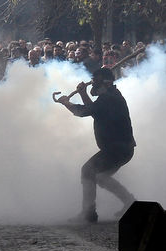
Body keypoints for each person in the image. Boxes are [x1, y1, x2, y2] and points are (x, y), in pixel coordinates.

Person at [55, 68, 136, 223]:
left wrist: (66, 103)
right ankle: (129, 202)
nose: (93, 85)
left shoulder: (109, 99)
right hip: (121, 149)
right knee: (101, 177)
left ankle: (88, 213)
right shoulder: (110, 96)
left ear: (105, 83)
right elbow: (94, 110)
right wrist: (83, 94)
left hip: (117, 149)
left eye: (96, 82)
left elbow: (84, 111)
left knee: (88, 170)